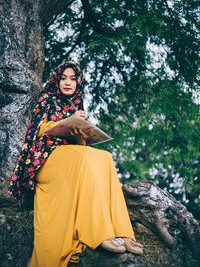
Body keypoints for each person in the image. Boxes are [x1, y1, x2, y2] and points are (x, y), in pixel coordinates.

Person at [8, 61, 143, 266]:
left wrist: (81, 134)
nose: (68, 83)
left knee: (104, 158)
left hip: (67, 158)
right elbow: (36, 132)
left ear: (78, 82)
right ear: (57, 80)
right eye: (63, 78)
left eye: (73, 79)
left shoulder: (76, 106)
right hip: (45, 161)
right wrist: (62, 122)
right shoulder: (48, 99)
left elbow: (78, 146)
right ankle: (100, 232)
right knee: (82, 157)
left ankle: (123, 232)